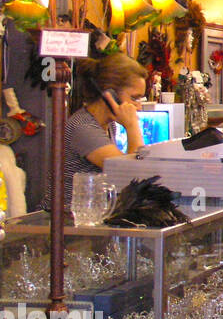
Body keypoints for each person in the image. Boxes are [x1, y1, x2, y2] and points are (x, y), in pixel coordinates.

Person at [45, 53, 148, 212]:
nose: (139, 107)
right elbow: (133, 176)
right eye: (135, 98)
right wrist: (132, 126)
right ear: (110, 95)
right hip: (68, 223)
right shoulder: (83, 128)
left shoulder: (108, 125)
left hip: (89, 218)